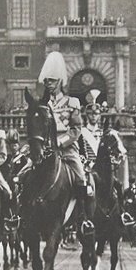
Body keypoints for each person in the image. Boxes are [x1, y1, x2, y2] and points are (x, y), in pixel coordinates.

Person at [36, 51, 93, 230]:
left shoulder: (72, 102)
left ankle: (84, 219)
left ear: (60, 81)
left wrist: (60, 143)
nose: (49, 85)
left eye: (52, 81)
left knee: (81, 179)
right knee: (23, 174)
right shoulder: (43, 105)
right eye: (46, 81)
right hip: (45, 150)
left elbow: (76, 130)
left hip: (67, 150)